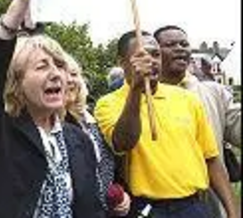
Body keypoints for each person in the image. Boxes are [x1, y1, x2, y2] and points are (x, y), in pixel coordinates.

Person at [0, 0, 105, 218]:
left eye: (60, 66)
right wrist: (16, 9)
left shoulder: (78, 139)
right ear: (16, 82)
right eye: (42, 66)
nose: (56, 74)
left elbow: (91, 207)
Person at [94, 30, 238, 218]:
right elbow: (123, 143)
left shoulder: (187, 100)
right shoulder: (108, 103)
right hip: (149, 209)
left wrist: (232, 212)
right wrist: (136, 91)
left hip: (194, 207)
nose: (151, 61)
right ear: (122, 63)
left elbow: (211, 159)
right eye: (141, 56)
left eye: (155, 55)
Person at [153, 25, 241, 218]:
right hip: (161, 206)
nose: (180, 48)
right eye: (170, 44)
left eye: (184, 44)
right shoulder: (142, 98)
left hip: (210, 202)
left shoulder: (213, 92)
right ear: (154, 53)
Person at [64, 53, 130, 217]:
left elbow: (108, 165)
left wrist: (121, 192)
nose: (70, 80)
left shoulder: (92, 117)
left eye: (74, 74)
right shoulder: (51, 124)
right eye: (63, 74)